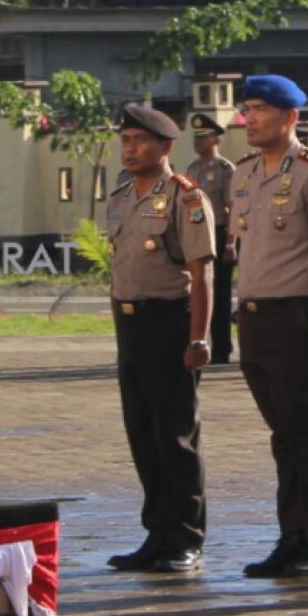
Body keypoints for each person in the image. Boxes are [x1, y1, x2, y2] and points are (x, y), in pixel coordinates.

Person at [231, 74, 308, 578]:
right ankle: (291, 535)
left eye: (260, 109)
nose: (250, 118)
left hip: (297, 315)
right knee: (283, 433)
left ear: (290, 117)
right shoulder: (244, 174)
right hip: (256, 318)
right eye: (247, 109)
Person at [105, 105, 215, 574]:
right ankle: (157, 533)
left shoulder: (186, 198)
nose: (130, 149)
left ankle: (186, 537)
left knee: (175, 436)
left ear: (166, 147)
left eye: (140, 141)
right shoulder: (121, 197)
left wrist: (200, 337)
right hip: (131, 325)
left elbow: (202, 272)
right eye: (125, 140)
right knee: (143, 434)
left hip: (171, 321)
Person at [186, 113, 236, 364]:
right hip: (197, 233)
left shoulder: (225, 169)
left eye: (203, 137)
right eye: (196, 137)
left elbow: (232, 208)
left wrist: (230, 243)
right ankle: (200, 341)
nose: (198, 142)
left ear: (215, 139)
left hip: (218, 233)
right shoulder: (192, 168)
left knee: (221, 294)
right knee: (197, 291)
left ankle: (222, 348)